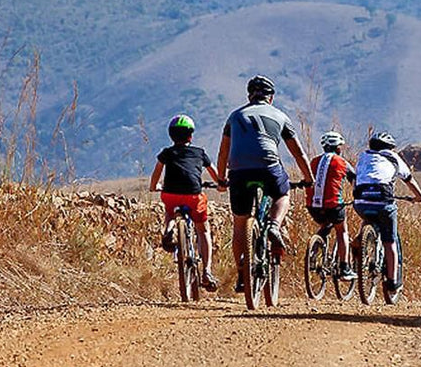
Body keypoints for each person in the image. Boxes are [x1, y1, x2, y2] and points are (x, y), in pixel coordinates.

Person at [215, 75, 313, 293]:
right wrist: (309, 180)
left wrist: (221, 179)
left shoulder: (235, 116)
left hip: (238, 170)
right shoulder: (280, 115)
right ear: (271, 97)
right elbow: (298, 153)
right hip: (268, 166)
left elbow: (223, 152)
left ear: (249, 96)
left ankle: (242, 274)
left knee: (240, 222)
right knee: (282, 194)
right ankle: (274, 225)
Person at [149, 113, 224, 291]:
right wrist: (221, 185)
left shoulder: (166, 153)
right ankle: (206, 271)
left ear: (171, 135)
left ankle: (168, 229)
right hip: (193, 195)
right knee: (202, 229)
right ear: (191, 135)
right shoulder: (199, 153)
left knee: (169, 211)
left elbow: (157, 172)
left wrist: (154, 187)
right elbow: (215, 174)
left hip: (170, 194)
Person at [352, 130, 421, 303]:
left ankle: (358, 243)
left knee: (367, 218)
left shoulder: (363, 157)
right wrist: (419, 197)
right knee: (390, 242)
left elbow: (358, 178)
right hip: (384, 202)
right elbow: (409, 179)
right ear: (390, 147)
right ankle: (392, 283)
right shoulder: (393, 157)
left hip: (360, 201)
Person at [308, 130, 357, 280]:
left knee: (325, 226)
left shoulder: (314, 161)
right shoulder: (343, 162)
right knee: (342, 232)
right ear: (338, 148)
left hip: (313, 206)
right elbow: (355, 181)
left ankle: (313, 253)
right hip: (334, 205)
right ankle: (345, 268)